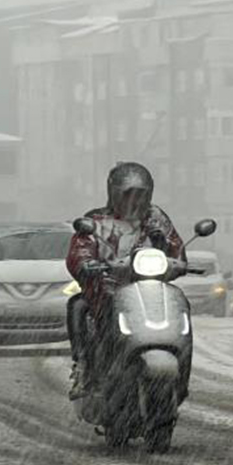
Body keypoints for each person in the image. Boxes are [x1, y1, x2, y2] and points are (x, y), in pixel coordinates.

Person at [66, 162, 186, 398]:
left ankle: (181, 366)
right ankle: (83, 367)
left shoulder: (157, 218)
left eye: (140, 194)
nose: (135, 200)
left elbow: (177, 249)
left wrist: (170, 251)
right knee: (78, 306)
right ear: (115, 193)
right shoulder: (96, 219)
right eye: (129, 193)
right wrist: (86, 263)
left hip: (152, 291)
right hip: (107, 291)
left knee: (181, 305)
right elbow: (80, 248)